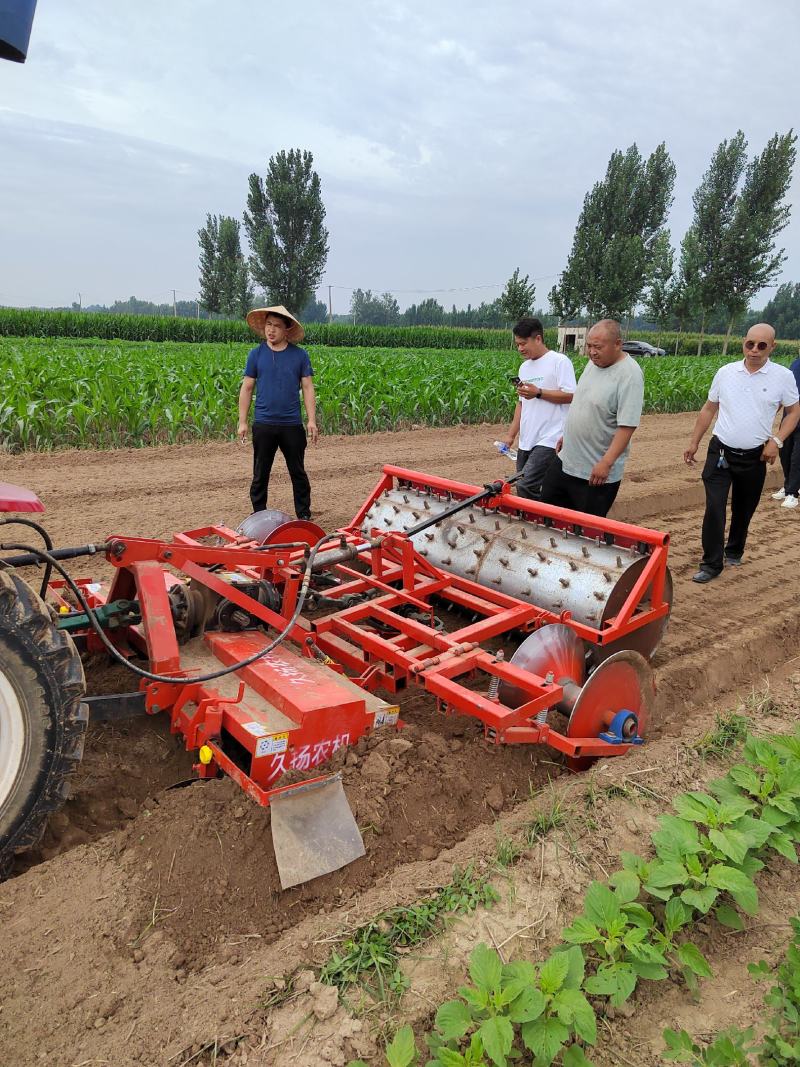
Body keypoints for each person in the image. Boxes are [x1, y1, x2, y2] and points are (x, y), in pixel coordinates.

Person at [683, 323, 800, 584]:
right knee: (714, 508)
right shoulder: (726, 372)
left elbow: (794, 412)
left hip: (754, 457)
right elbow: (708, 408)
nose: (755, 350)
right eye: (750, 344)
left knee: (744, 508)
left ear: (773, 346)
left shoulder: (782, 377)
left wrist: (777, 441)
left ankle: (734, 550)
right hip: (720, 452)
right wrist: (694, 442)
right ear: (743, 343)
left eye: (762, 345)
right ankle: (711, 564)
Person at [540, 319, 644, 517]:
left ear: (618, 344)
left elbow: (627, 426)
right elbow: (583, 401)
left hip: (594, 473)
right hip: (566, 460)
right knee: (547, 513)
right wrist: (567, 436)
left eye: (598, 347)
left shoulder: (630, 375)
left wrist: (606, 462)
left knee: (585, 532)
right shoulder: (593, 363)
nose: (592, 352)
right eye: (589, 346)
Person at [238, 304, 318, 520]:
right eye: (268, 325)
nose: (271, 330)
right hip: (264, 424)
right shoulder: (256, 355)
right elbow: (247, 388)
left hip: (291, 425)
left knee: (298, 473)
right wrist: (242, 421)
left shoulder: (300, 356)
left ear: (287, 331)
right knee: (260, 474)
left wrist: (311, 420)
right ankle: (259, 516)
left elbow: (308, 388)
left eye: (277, 326)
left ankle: (304, 516)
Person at [501, 317, 576, 499]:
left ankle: (539, 522)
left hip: (551, 437)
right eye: (517, 344)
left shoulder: (559, 361)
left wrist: (540, 392)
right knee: (524, 485)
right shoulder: (524, 368)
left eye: (523, 343)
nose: (520, 349)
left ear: (538, 339)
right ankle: (542, 519)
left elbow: (572, 396)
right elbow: (521, 403)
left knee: (527, 485)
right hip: (528, 438)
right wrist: (510, 437)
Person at [771, 353, 800, 509]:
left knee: (797, 458)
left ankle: (793, 494)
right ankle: (789, 484)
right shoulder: (795, 365)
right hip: (789, 419)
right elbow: (784, 393)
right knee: (785, 454)